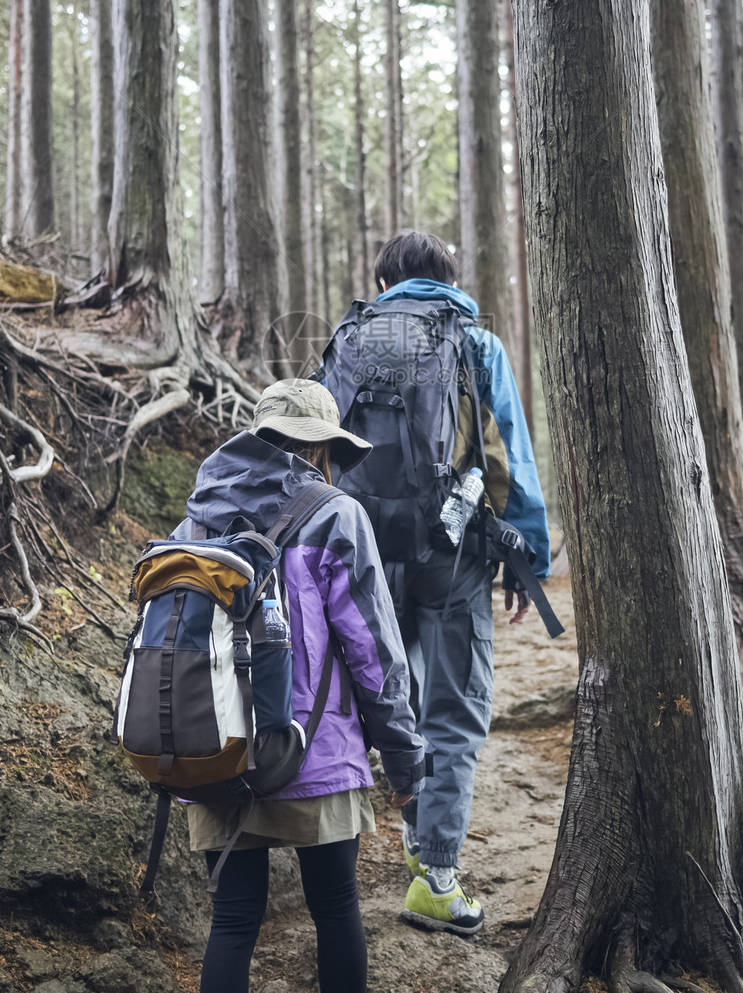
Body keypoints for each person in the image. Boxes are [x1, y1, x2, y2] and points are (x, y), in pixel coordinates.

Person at [322, 230, 550, 936]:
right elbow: (509, 449)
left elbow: (318, 445)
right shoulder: (472, 340)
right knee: (453, 712)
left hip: (365, 553)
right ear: (447, 277)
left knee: (386, 694)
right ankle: (437, 875)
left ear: (385, 277)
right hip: (453, 554)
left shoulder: (351, 335)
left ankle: (385, 840)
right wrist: (527, 557)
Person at [171, 379, 425, 993]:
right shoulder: (337, 514)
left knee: (231, 923)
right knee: (336, 908)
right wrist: (403, 758)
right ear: (322, 449)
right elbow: (373, 650)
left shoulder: (194, 520)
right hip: (313, 749)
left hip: (217, 747)